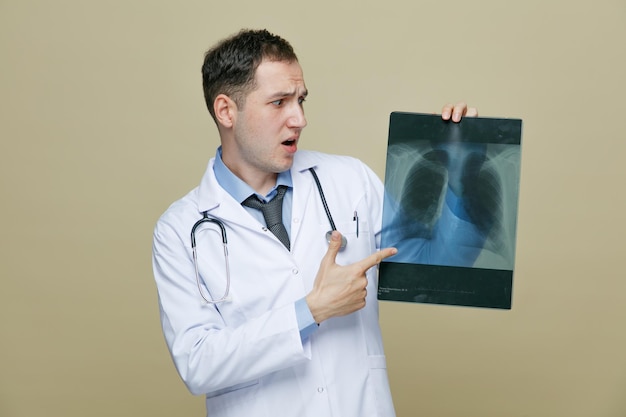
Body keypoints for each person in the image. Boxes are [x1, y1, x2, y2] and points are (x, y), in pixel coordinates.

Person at [152, 28, 476, 417]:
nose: (300, 119)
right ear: (226, 111)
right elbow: (198, 364)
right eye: (279, 102)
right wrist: (311, 310)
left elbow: (439, 266)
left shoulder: (349, 180)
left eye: (300, 100)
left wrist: (463, 174)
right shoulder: (179, 229)